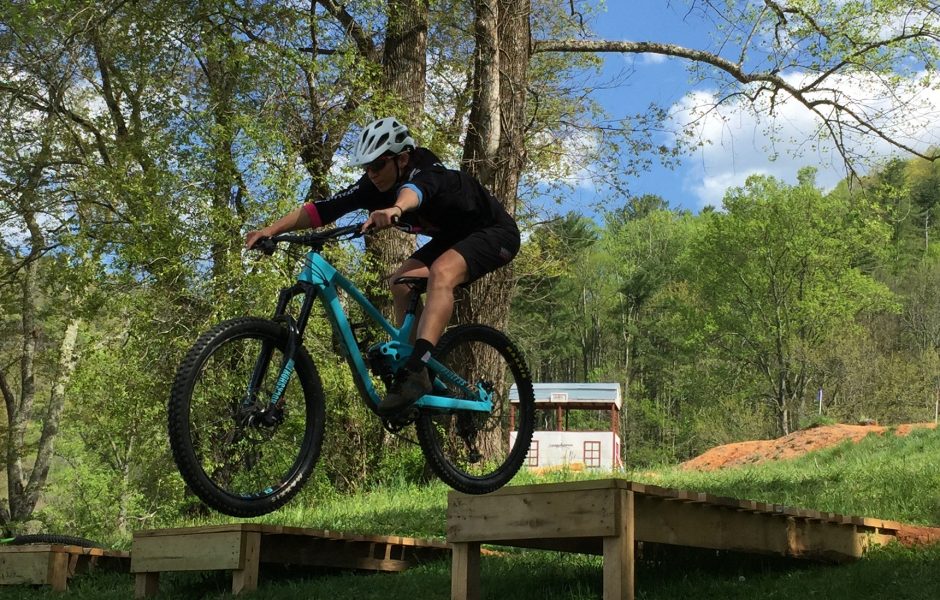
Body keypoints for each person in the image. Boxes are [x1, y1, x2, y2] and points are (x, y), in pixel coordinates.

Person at [245, 117, 520, 414]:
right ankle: (416, 368)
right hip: (454, 238)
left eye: (378, 165)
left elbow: (415, 192)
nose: (372, 174)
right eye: (367, 168)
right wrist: (270, 230)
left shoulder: (427, 169)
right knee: (400, 282)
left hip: (495, 234)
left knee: (442, 271)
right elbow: (322, 210)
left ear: (401, 158)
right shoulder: (372, 185)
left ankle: (418, 367)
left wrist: (396, 209)